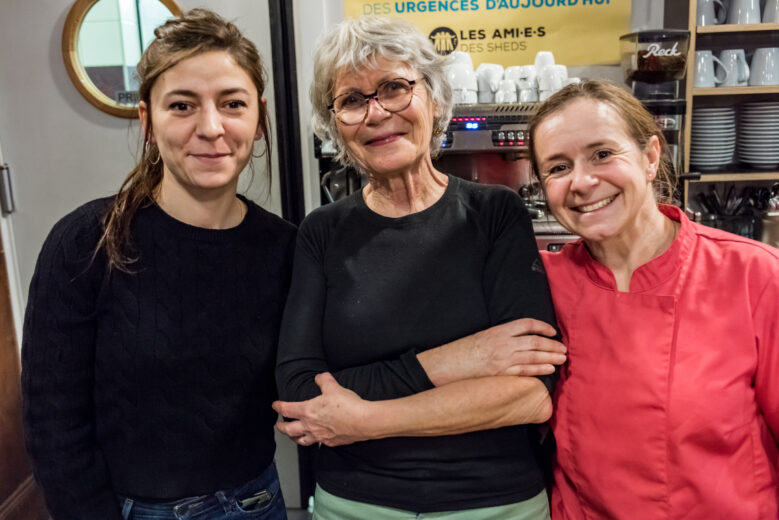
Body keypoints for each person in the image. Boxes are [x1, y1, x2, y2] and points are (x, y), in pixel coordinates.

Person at [274, 16, 566, 520]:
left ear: (433, 97)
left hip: (496, 503)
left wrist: (362, 420)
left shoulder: (495, 213)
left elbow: (530, 395)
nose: (376, 113)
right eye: (352, 100)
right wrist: (464, 359)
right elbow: (301, 391)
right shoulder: (322, 231)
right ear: (335, 123)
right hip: (356, 505)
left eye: (394, 88)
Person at [22, 9, 295, 520]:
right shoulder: (86, 243)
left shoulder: (286, 248)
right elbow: (53, 423)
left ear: (258, 118)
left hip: (259, 502)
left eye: (232, 104)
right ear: (148, 121)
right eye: (182, 105)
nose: (210, 128)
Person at [527, 80, 779, 519]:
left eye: (602, 154)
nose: (582, 182)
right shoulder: (541, 283)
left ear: (650, 157)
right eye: (558, 167)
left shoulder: (753, 275)